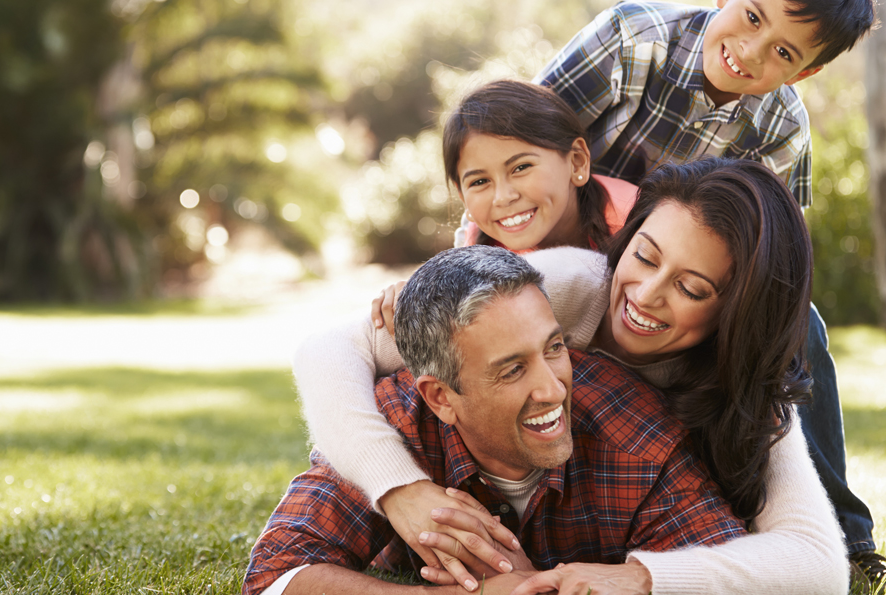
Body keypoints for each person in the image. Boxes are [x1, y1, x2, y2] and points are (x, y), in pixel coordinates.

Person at [293, 158, 849, 594]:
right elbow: (327, 348)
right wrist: (399, 488)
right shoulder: (560, 286)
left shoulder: (746, 390)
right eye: (646, 257)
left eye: (692, 288)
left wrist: (641, 577)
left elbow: (819, 565)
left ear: (736, 312)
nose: (646, 295)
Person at [531, 0, 881, 581]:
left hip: (687, 287)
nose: (750, 51)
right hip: (570, 246)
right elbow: (521, 146)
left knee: (800, 324)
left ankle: (842, 531)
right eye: (752, 17)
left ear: (804, 72)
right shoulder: (634, 39)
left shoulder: (782, 127)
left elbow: (771, 261)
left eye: (783, 52)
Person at [244, 245, 747, 595]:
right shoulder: (389, 426)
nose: (553, 389)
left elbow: (728, 569)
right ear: (442, 398)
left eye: (554, 348)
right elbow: (276, 577)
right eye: (511, 369)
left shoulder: (639, 439)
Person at [441, 79, 637, 255]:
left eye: (521, 167)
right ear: (463, 197)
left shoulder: (638, 225)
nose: (503, 197)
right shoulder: (480, 248)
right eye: (480, 181)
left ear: (577, 162)